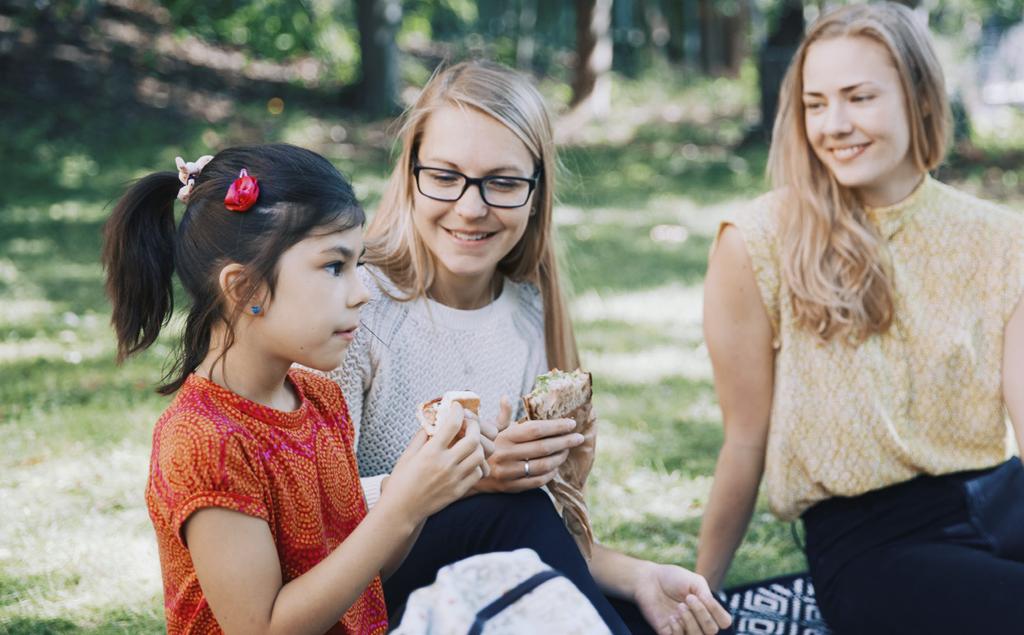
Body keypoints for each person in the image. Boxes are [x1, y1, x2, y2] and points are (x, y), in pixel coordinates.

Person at [331, 60, 732, 635]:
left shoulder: (527, 312)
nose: (471, 207)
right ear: (409, 172)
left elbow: (543, 537)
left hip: (489, 570)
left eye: (503, 182)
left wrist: (637, 572)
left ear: (537, 191)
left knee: (667, 620)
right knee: (506, 507)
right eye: (444, 176)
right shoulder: (356, 308)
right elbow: (310, 508)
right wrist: (467, 480)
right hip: (365, 594)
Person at [695, 4, 1024, 633]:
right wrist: (700, 594)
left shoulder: (1004, 242)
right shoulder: (759, 241)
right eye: (816, 104)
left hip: (1001, 501)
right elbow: (744, 440)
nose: (834, 125)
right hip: (874, 542)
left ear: (921, 99)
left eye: (859, 97)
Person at [102, 144, 488, 634]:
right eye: (334, 267)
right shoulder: (205, 442)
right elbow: (263, 628)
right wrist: (400, 507)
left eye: (358, 264)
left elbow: (358, 578)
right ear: (245, 290)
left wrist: (414, 481)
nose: (362, 291)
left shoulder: (318, 399)